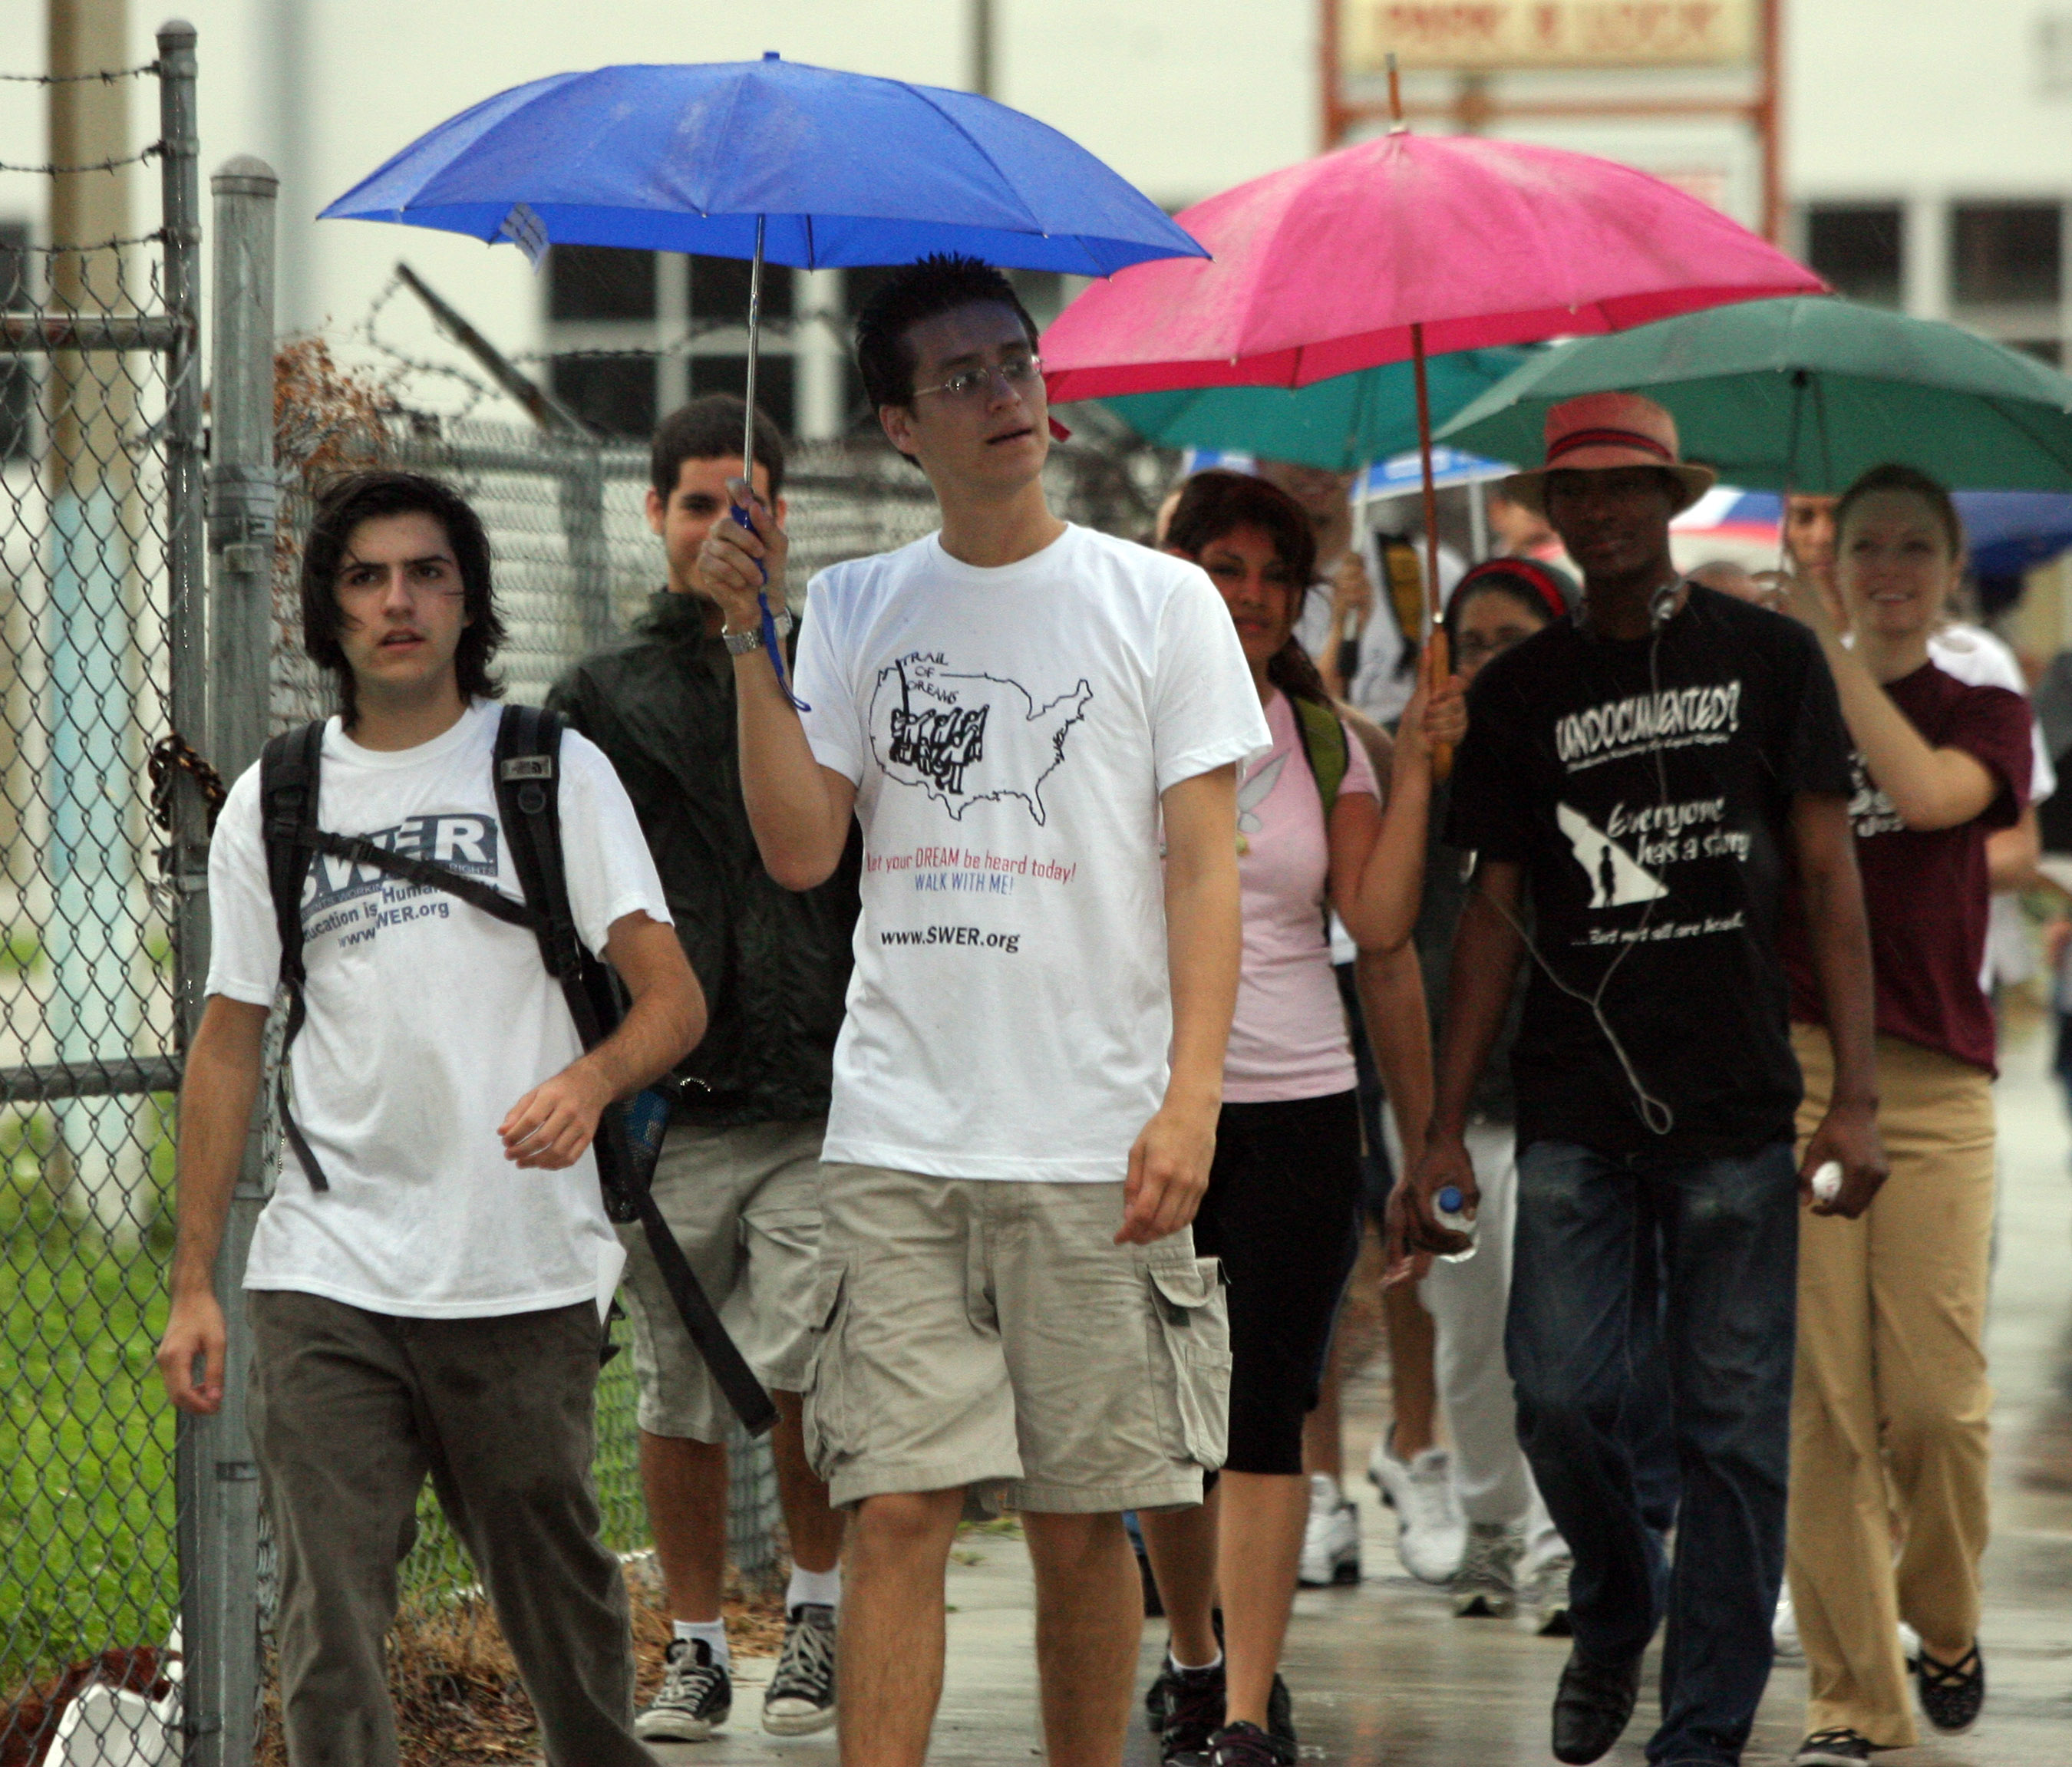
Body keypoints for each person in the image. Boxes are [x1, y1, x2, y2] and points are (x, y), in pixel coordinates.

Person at [698, 254, 1270, 1767]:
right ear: (897, 426)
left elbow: (1208, 872)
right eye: (957, 377)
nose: (1001, 395)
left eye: (1013, 362)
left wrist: (1192, 1100)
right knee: (896, 1509)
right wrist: (749, 642)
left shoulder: (1162, 603)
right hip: (899, 1134)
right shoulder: (854, 605)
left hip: (1096, 1136)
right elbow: (803, 846)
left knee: (1086, 1523)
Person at [155, 470, 704, 1767]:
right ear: (328, 611)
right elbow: (229, 1042)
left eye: (426, 574)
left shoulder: (548, 769)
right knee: (329, 1607)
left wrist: (591, 1081)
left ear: (469, 602)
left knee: (558, 1597)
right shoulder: (274, 799)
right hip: (327, 1267)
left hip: (517, 1265)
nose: (396, 600)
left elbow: (672, 1000)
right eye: (365, 577)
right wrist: (195, 1282)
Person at [1400, 392, 1888, 1767]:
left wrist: (1853, 1095)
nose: (1605, 513)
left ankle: (1705, 1730)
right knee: (1557, 1392)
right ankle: (1619, 1600)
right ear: (1550, 512)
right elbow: (1493, 912)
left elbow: (1830, 876)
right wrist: (1441, 1127)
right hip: (1571, 1108)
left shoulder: (1774, 658)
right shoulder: (1519, 692)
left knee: (1733, 1431)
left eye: (1629, 490)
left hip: (1737, 1107)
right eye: (1580, 492)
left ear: (1670, 500)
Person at [1136, 470, 1462, 1766]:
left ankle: (1252, 1715)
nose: (1255, 595)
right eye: (1226, 566)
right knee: (1165, 1426)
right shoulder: (1122, 716)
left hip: (1300, 1106)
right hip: (1155, 1116)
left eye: (1277, 573)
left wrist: (1421, 763)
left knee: (1267, 1407)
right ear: (1177, 575)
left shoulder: (1319, 740)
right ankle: (1195, 1655)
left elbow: (1380, 933)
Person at [547, 395, 856, 1741]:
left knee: (803, 1375)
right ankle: (690, 1647)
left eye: (751, 504)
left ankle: (813, 1620)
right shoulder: (599, 697)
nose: (725, 527)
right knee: (677, 1391)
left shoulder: (836, 662)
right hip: (677, 1108)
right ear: (654, 515)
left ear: (783, 519)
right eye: (696, 504)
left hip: (821, 1093)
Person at [1775, 465, 2032, 1767]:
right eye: (1865, 544)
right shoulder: (1788, 698)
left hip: (1937, 1093)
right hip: (1809, 1077)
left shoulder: (1985, 707)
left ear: (1948, 569)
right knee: (1825, 1401)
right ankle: (1851, 1702)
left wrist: (1824, 650)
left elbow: (1931, 798)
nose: (1888, 567)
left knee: (1935, 1407)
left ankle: (1942, 1617)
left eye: (1912, 548)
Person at [1381, 556, 1581, 1630]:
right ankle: (1492, 1523)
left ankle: (1565, 1542)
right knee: (1468, 1335)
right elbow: (1383, 924)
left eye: (1519, 642)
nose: (1496, 664)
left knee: (1562, 1339)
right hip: (1442, 1106)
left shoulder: (1590, 765)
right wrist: (1423, 763)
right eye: (1477, 642)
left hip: (1561, 1099)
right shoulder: (1427, 773)